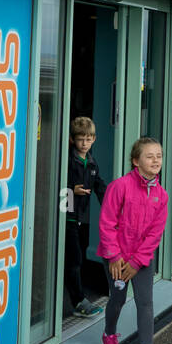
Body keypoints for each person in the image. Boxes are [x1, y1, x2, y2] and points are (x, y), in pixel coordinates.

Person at [97, 137, 172, 344]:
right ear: (135, 161)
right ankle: (109, 334)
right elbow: (107, 223)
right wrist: (114, 257)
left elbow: (154, 234)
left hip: (141, 260)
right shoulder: (119, 186)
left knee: (146, 302)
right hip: (116, 258)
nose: (155, 160)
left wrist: (138, 261)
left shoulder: (162, 195)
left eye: (158, 156)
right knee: (117, 299)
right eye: (149, 156)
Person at [64, 117, 107, 317]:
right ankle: (78, 301)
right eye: (81, 139)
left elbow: (98, 184)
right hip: (68, 216)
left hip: (81, 217)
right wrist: (72, 189)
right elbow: (56, 183)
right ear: (73, 140)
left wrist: (112, 202)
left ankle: (76, 295)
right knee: (75, 259)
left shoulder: (91, 161)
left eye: (88, 139)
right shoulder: (67, 160)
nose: (84, 143)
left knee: (76, 257)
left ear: (94, 139)